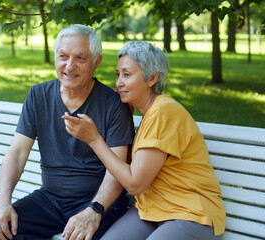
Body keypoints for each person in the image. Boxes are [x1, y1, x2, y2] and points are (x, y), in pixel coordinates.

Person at [62, 41, 226, 240]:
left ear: (152, 78)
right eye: (118, 74)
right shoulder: (149, 113)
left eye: (127, 74)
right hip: (150, 210)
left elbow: (134, 184)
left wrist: (94, 139)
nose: (119, 82)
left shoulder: (164, 112)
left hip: (188, 213)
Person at [0, 24, 134, 240]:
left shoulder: (113, 104)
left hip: (98, 201)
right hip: (50, 199)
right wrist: (1, 202)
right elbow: (17, 152)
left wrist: (95, 210)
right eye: (63, 56)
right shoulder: (38, 95)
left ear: (96, 62)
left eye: (80, 58)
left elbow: (117, 171)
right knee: (1, 231)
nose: (69, 66)